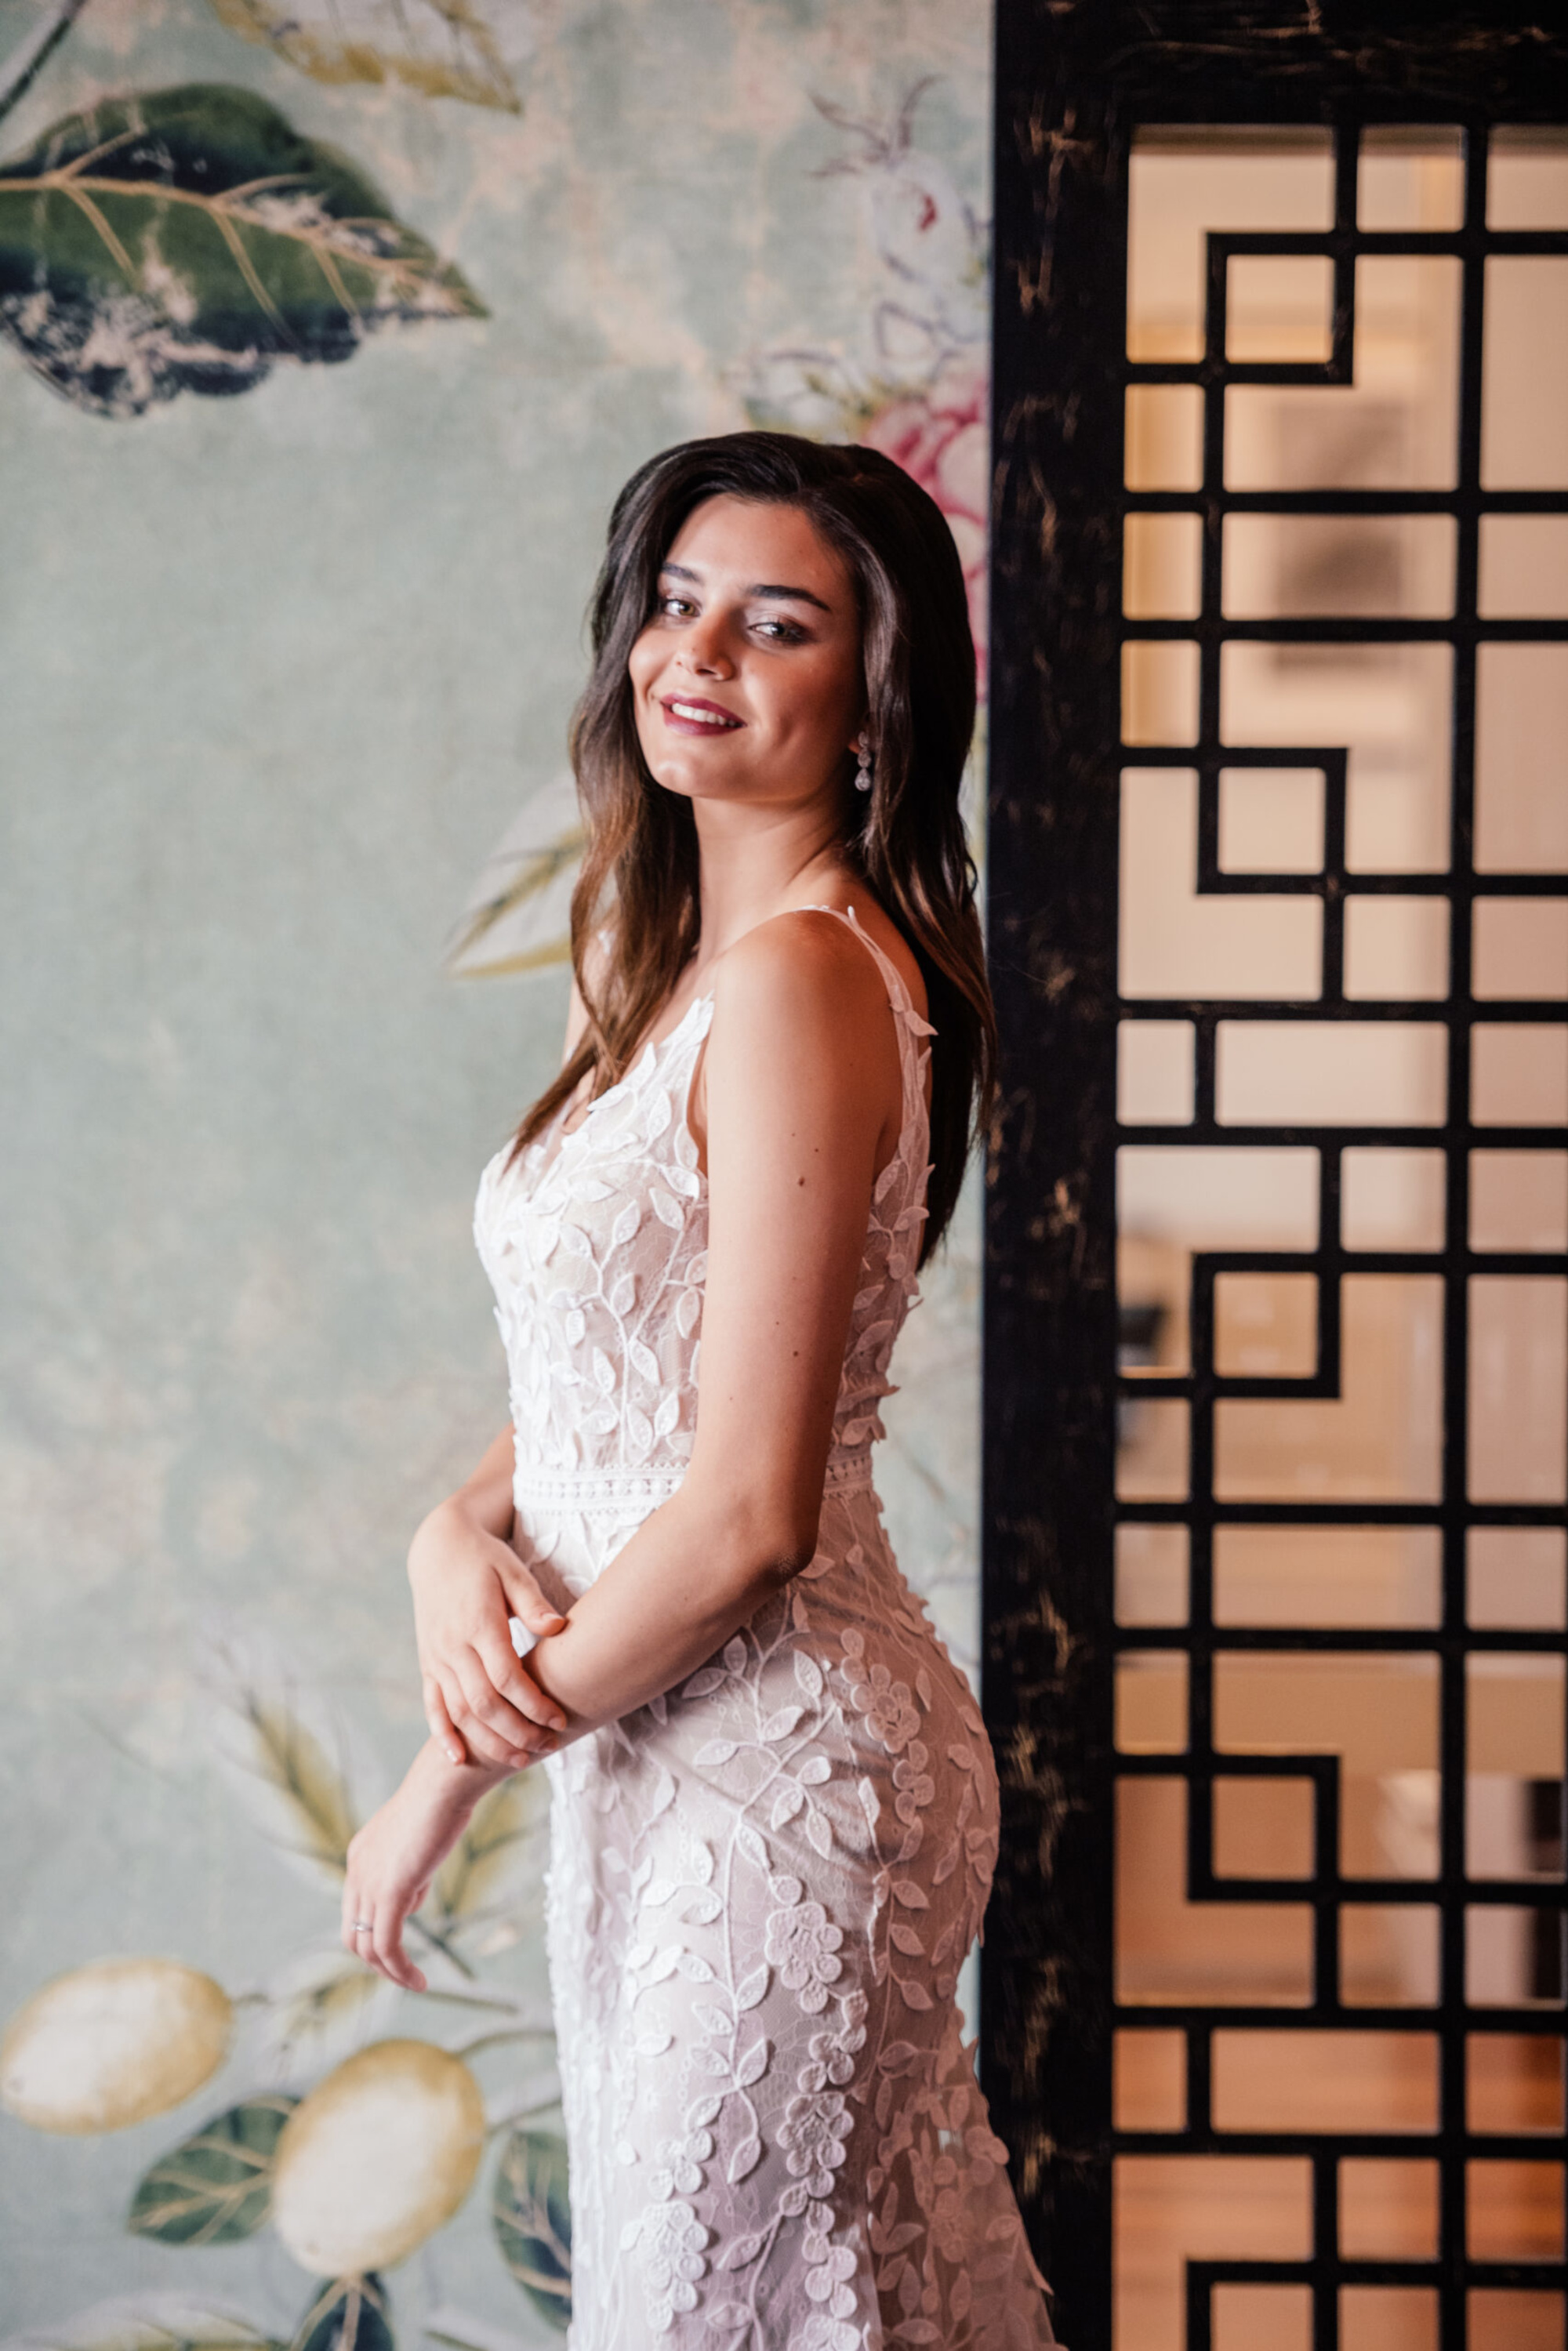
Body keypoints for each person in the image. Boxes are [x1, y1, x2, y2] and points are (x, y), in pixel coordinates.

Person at [342, 432, 1058, 2349]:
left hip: (781, 1764)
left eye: (775, 622)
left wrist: (439, 1773)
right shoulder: (667, 958)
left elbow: (746, 1516)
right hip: (644, 1745)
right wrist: (449, 1532)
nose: (697, 652)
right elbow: (617, 1383)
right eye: (674, 602)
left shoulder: (810, 977)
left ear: (871, 700)